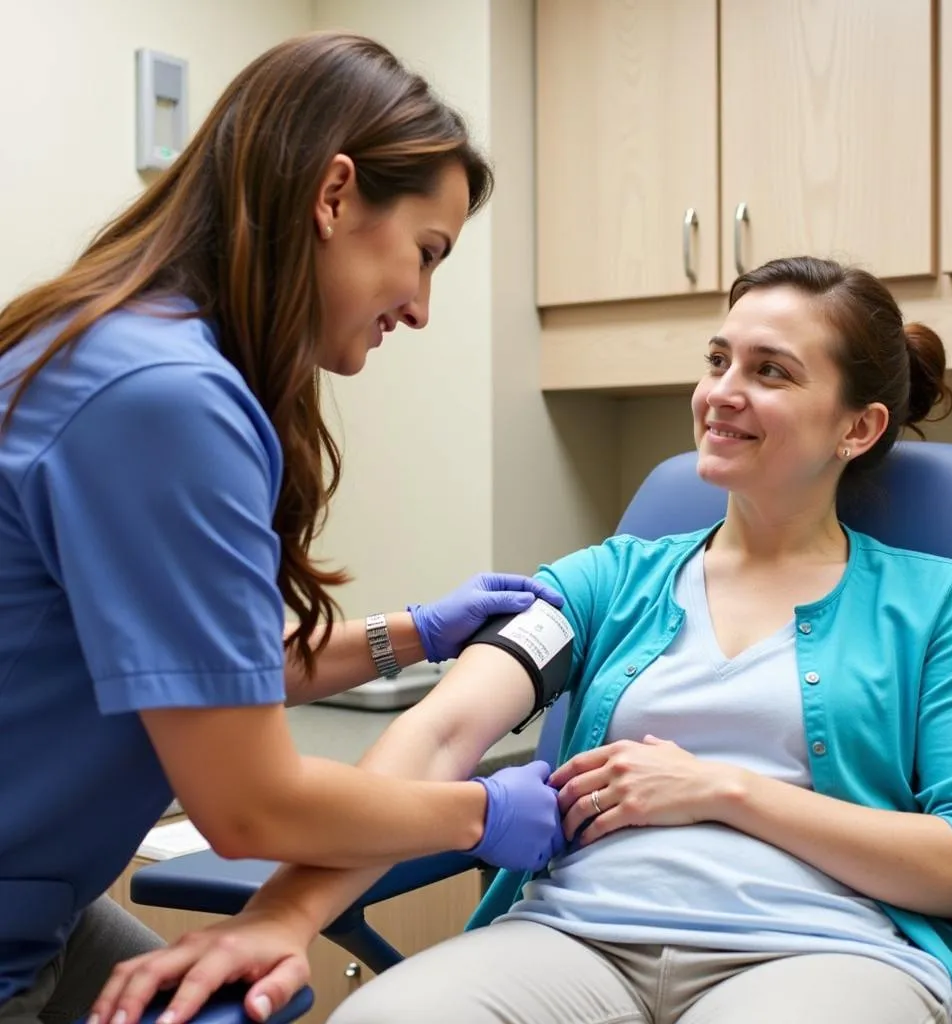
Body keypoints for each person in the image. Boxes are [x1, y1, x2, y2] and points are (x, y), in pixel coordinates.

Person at [89, 256, 952, 1024]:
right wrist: (285, 918)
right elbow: (444, 735)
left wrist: (724, 791)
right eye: (716, 361)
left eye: (770, 372)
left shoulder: (940, 605)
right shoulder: (607, 579)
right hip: (576, 937)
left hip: (821, 952)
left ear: (856, 428)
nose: (720, 394)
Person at [0, 31, 570, 1024]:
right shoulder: (165, 399)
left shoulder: (118, 347)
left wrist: (410, 635)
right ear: (335, 194)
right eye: (425, 254)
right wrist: (487, 811)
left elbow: (195, 663)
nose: (425, 307)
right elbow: (249, 803)